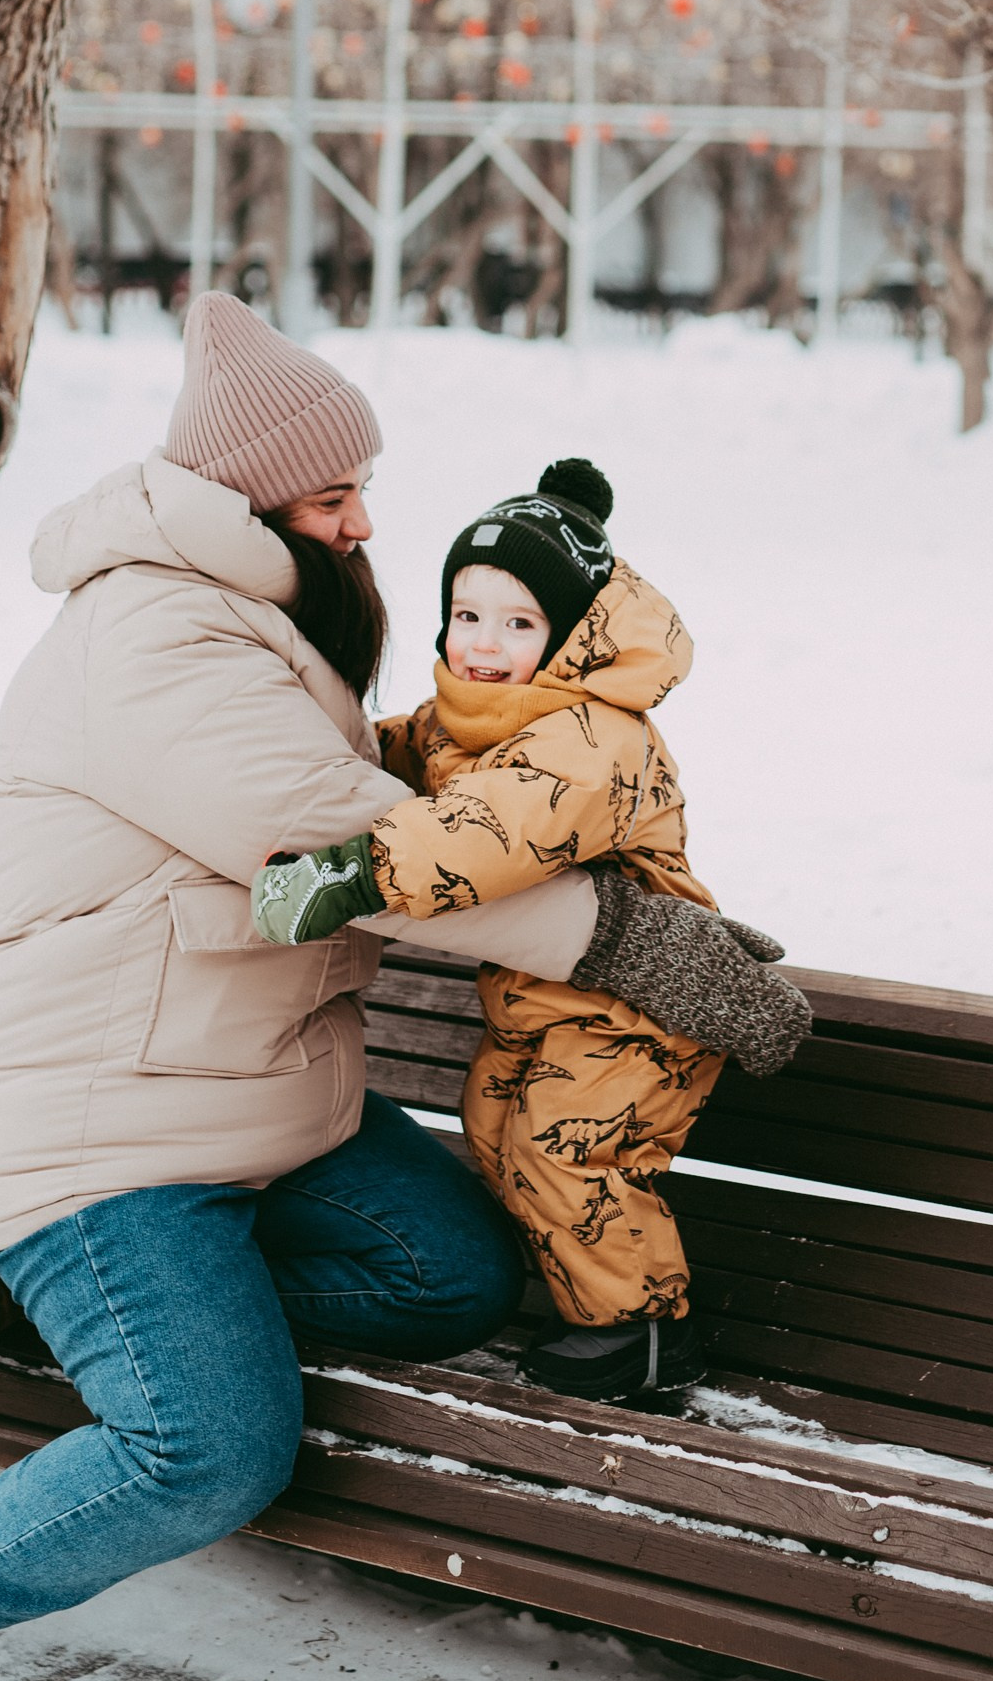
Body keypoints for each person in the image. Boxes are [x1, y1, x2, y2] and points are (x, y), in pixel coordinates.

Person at [0, 295, 803, 1681]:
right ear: (240, 497)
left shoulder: (250, 615)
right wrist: (624, 938)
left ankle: (115, 1321)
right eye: (331, 494)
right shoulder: (155, 643)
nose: (362, 525)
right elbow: (365, 845)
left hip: (256, 1104)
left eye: (361, 490)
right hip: (104, 1133)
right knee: (215, 1447)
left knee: (452, 1274)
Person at [254, 458, 787, 1403]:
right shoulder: (473, 715)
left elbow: (488, 831)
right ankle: (591, 1306)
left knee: (570, 1151)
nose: (484, 645)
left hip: (635, 1006)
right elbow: (396, 755)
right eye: (467, 615)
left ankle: (642, 1335)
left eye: (519, 624)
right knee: (499, 1131)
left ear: (572, 636)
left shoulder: (591, 737)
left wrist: (351, 873)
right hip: (545, 1005)